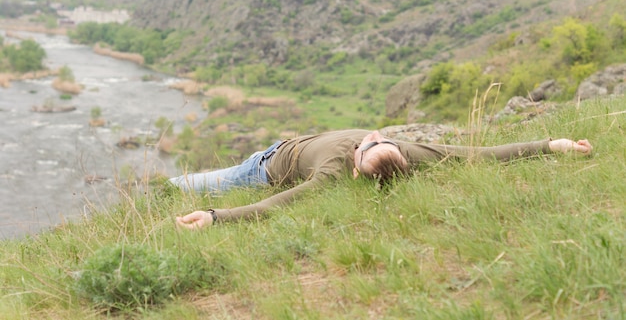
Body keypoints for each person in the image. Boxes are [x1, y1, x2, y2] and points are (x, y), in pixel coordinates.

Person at [173, 129, 592, 230]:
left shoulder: (334, 173)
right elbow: (480, 156)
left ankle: (163, 190)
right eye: (378, 138)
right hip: (288, 145)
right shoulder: (398, 148)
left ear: (357, 166)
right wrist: (552, 144)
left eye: (371, 144)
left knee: (177, 186)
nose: (374, 135)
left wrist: (214, 217)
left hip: (261, 168)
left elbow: (276, 204)